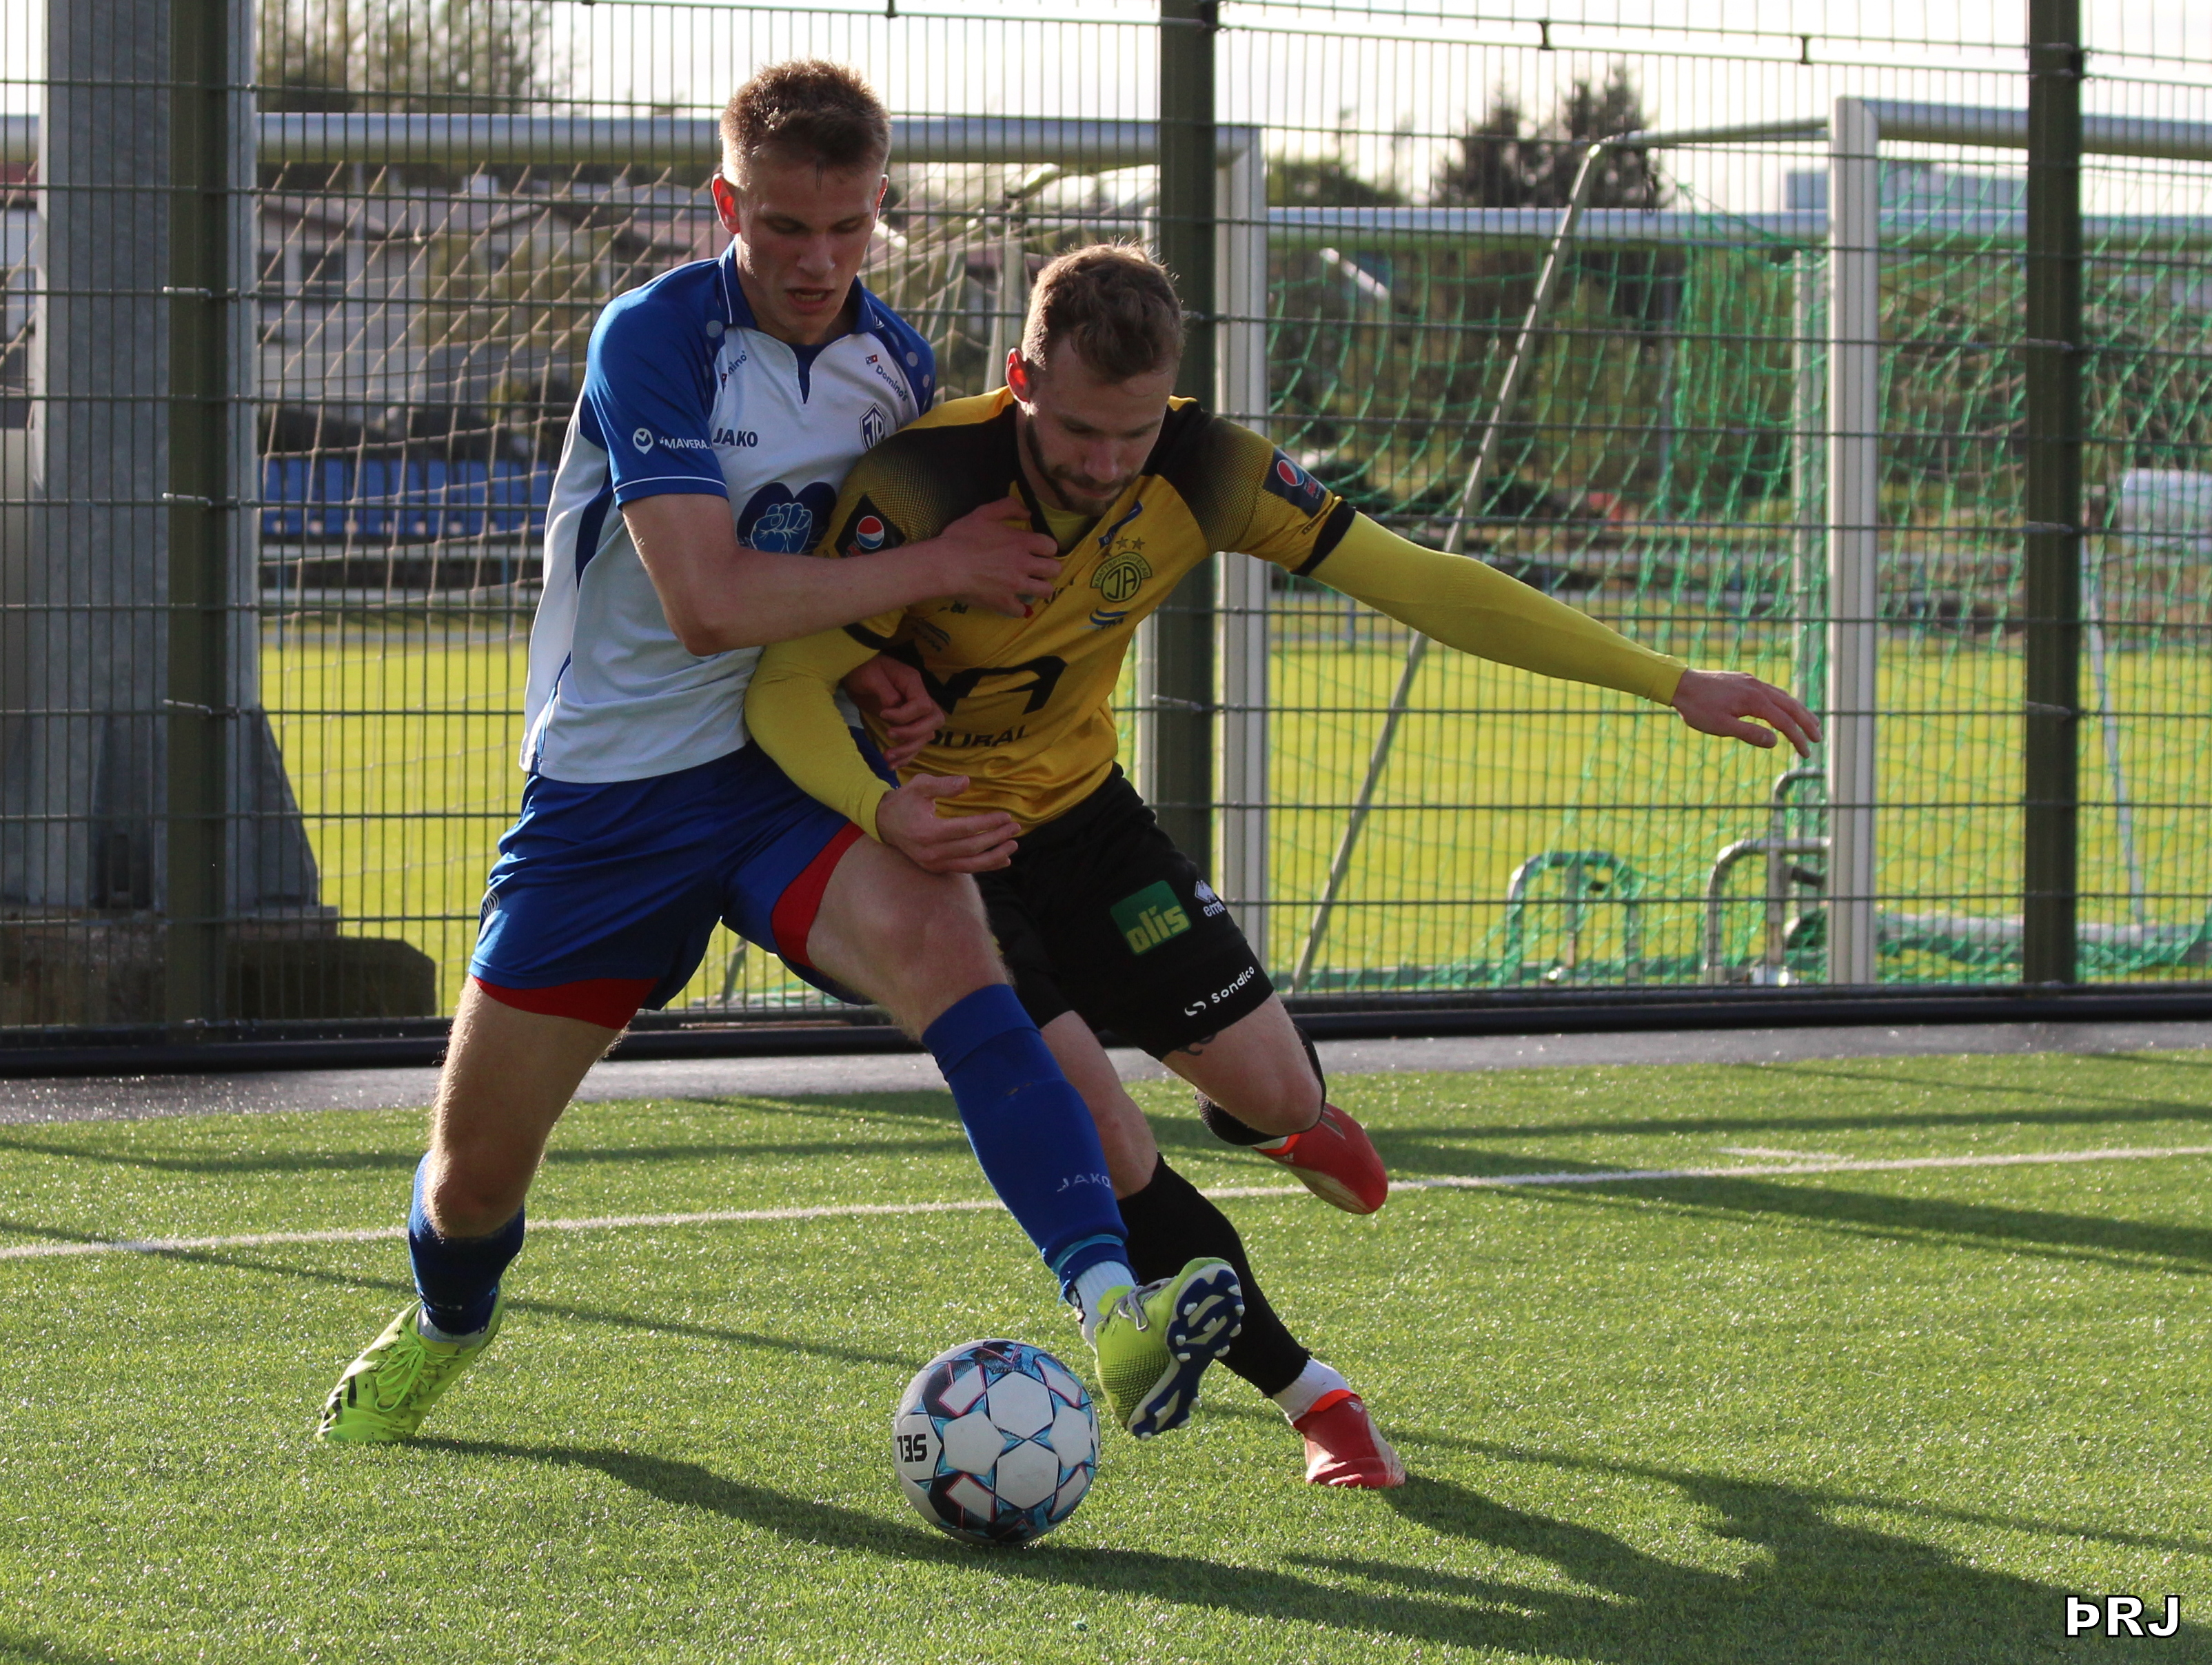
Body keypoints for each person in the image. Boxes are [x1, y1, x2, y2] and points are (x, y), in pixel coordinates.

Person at [744, 242, 1821, 1486]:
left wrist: (1669, 680)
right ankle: (1316, 1399)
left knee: (1275, 1095)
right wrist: (885, 811)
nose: (1105, 465)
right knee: (1099, 1127)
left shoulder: (1204, 466)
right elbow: (784, 681)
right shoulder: (921, 481)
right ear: (1020, 379)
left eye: (1132, 434)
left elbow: (1422, 584)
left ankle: (1281, 1127)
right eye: (1079, 431)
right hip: (943, 854)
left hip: (1083, 820)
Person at [318, 74, 1243, 1449]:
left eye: (848, 227)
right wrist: (938, 568)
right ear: (727, 204)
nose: (818, 262)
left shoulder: (897, 370)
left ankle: (1113, 1310)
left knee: (955, 946)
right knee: (470, 1183)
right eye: (785, 227)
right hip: (607, 803)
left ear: (882, 209)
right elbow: (706, 603)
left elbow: (846, 595)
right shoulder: (654, 337)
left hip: (777, 774)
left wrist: (880, 669)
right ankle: (452, 1318)